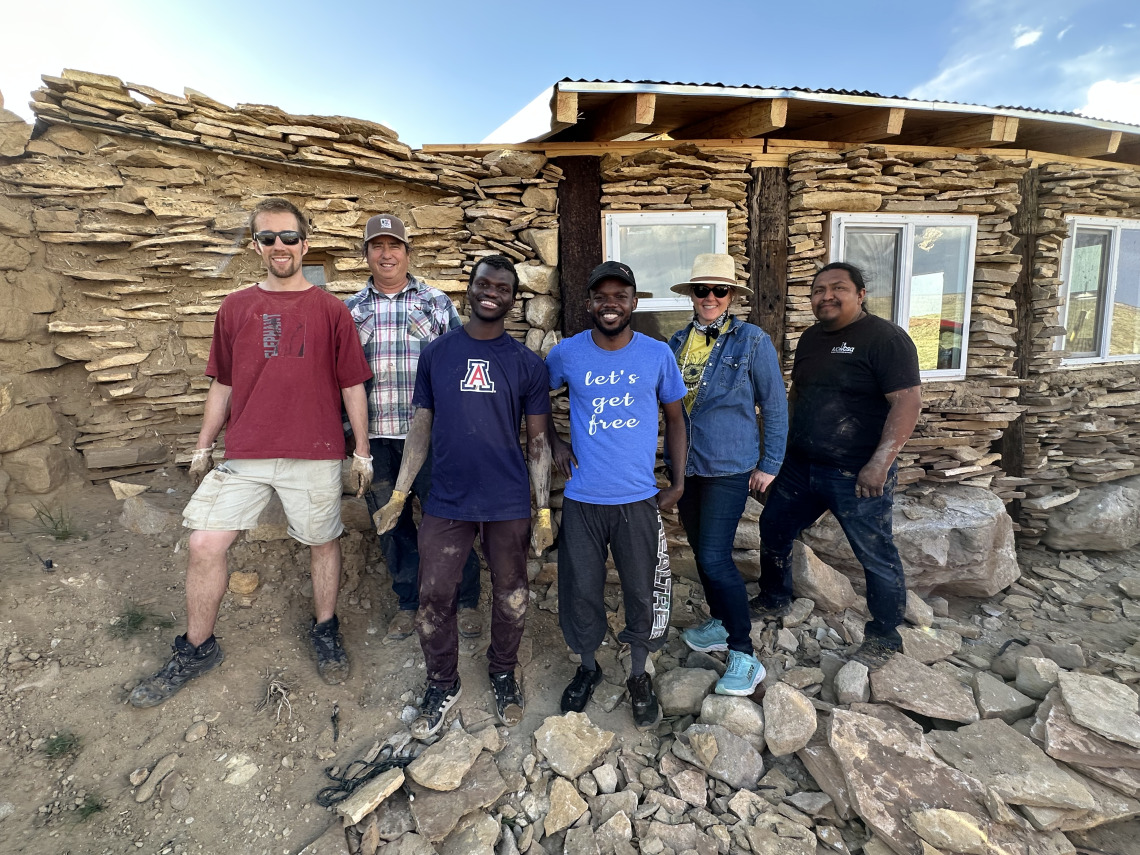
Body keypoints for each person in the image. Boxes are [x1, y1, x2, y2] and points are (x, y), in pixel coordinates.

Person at [129, 198, 373, 708]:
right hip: (247, 450)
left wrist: (363, 453)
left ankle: (325, 629)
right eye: (268, 238)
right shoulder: (235, 307)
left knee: (322, 541)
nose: (279, 246)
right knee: (204, 545)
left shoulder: (331, 310)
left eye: (288, 237)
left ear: (305, 245)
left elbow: (352, 385)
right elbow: (222, 384)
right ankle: (197, 648)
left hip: (316, 449)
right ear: (256, 247)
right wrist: (201, 447)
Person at [374, 255, 552, 737]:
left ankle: (502, 672)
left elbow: (538, 443)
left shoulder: (526, 365)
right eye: (483, 284)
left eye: (503, 287)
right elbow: (420, 427)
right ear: (468, 291)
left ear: (513, 299)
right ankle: (442, 682)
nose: (492, 292)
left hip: (508, 502)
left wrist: (542, 510)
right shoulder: (437, 355)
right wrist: (399, 493)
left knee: (511, 595)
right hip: (447, 499)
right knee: (434, 595)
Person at [753, 261, 921, 670]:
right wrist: (776, 453)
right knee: (774, 526)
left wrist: (879, 464)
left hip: (856, 473)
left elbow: (907, 402)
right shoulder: (811, 338)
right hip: (802, 466)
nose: (826, 296)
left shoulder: (886, 339)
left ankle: (885, 634)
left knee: (875, 552)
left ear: (860, 294)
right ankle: (775, 598)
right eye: (817, 290)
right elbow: (797, 398)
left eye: (838, 288)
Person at [546, 260, 687, 730]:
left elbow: (675, 419)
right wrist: (554, 441)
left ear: (633, 302)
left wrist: (678, 480)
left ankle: (638, 674)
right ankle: (588, 667)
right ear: (589, 303)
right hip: (584, 498)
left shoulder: (656, 354)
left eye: (620, 296)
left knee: (641, 591)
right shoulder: (567, 354)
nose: (611, 304)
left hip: (637, 499)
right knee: (580, 589)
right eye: (601, 296)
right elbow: (535, 399)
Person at [345, 214, 482, 643]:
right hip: (377, 437)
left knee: (449, 518)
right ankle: (408, 602)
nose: (387, 254)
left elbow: (462, 366)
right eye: (377, 246)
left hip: (433, 435)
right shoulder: (351, 310)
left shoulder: (436, 303)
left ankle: (467, 600)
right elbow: (342, 376)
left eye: (395, 246)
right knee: (390, 522)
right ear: (366, 254)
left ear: (408, 252)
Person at [666, 254, 787, 696]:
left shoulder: (752, 340)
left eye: (720, 290)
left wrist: (770, 463)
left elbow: (774, 404)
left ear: (732, 296)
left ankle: (744, 653)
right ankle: (719, 622)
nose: (711, 298)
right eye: (703, 290)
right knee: (702, 552)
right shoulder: (677, 341)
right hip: (687, 465)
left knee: (716, 556)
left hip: (729, 464)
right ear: (692, 296)